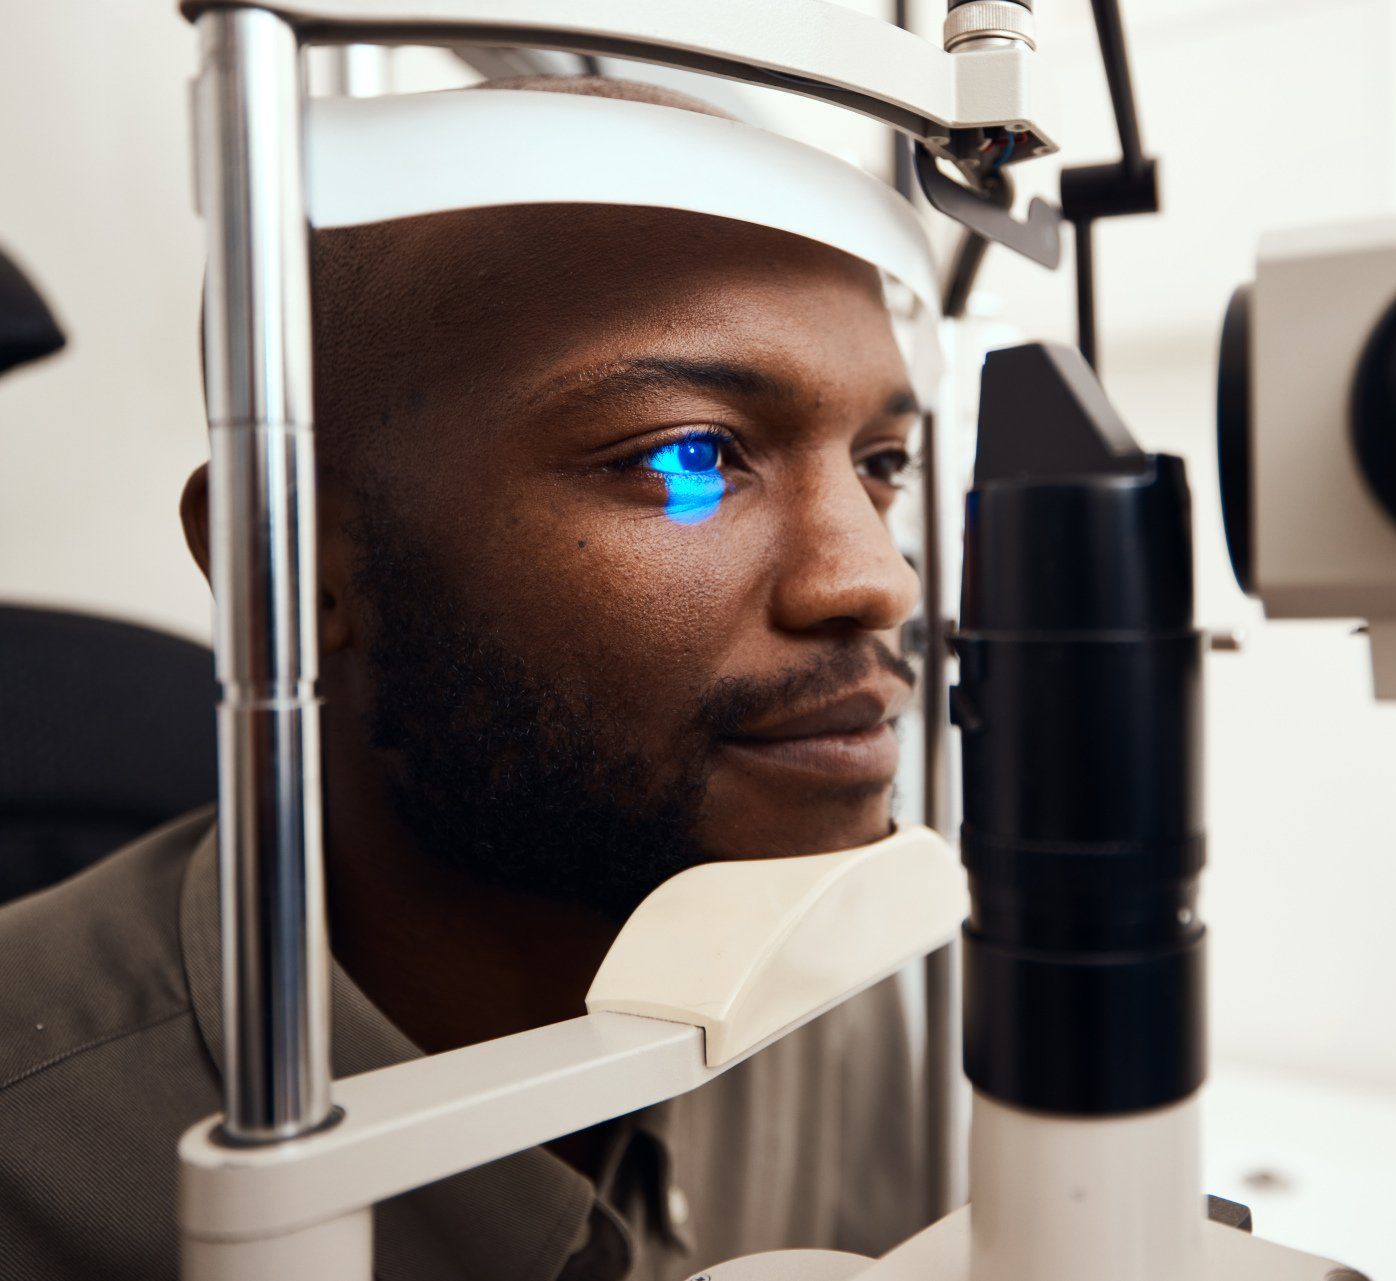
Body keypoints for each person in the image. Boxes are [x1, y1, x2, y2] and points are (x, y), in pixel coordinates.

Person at [0, 76, 930, 1281]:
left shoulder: (842, 978)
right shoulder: (32, 1172)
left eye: (882, 461)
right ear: (282, 561)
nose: (874, 580)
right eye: (689, 457)